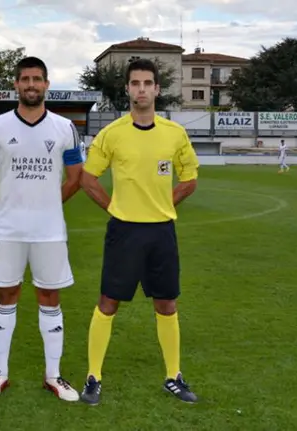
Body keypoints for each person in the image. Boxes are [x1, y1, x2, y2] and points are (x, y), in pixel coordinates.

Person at [78, 58, 200, 406]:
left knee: (166, 303)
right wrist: (115, 207)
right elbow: (88, 178)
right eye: (136, 83)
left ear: (157, 89)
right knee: (108, 302)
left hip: (161, 232)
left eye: (148, 83)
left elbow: (190, 179)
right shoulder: (112, 133)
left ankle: (173, 376)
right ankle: (93, 377)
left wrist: (165, 203)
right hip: (124, 232)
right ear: (128, 89)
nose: (142, 89)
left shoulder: (174, 134)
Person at [0, 56, 83, 402]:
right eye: (25, 79)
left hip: (50, 232)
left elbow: (75, 177)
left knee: (50, 297)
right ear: (16, 85)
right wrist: (9, 204)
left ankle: (53, 376)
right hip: (8, 229)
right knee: (5, 295)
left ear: (46, 85)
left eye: (37, 79)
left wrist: (49, 205)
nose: (31, 84)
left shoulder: (65, 128)